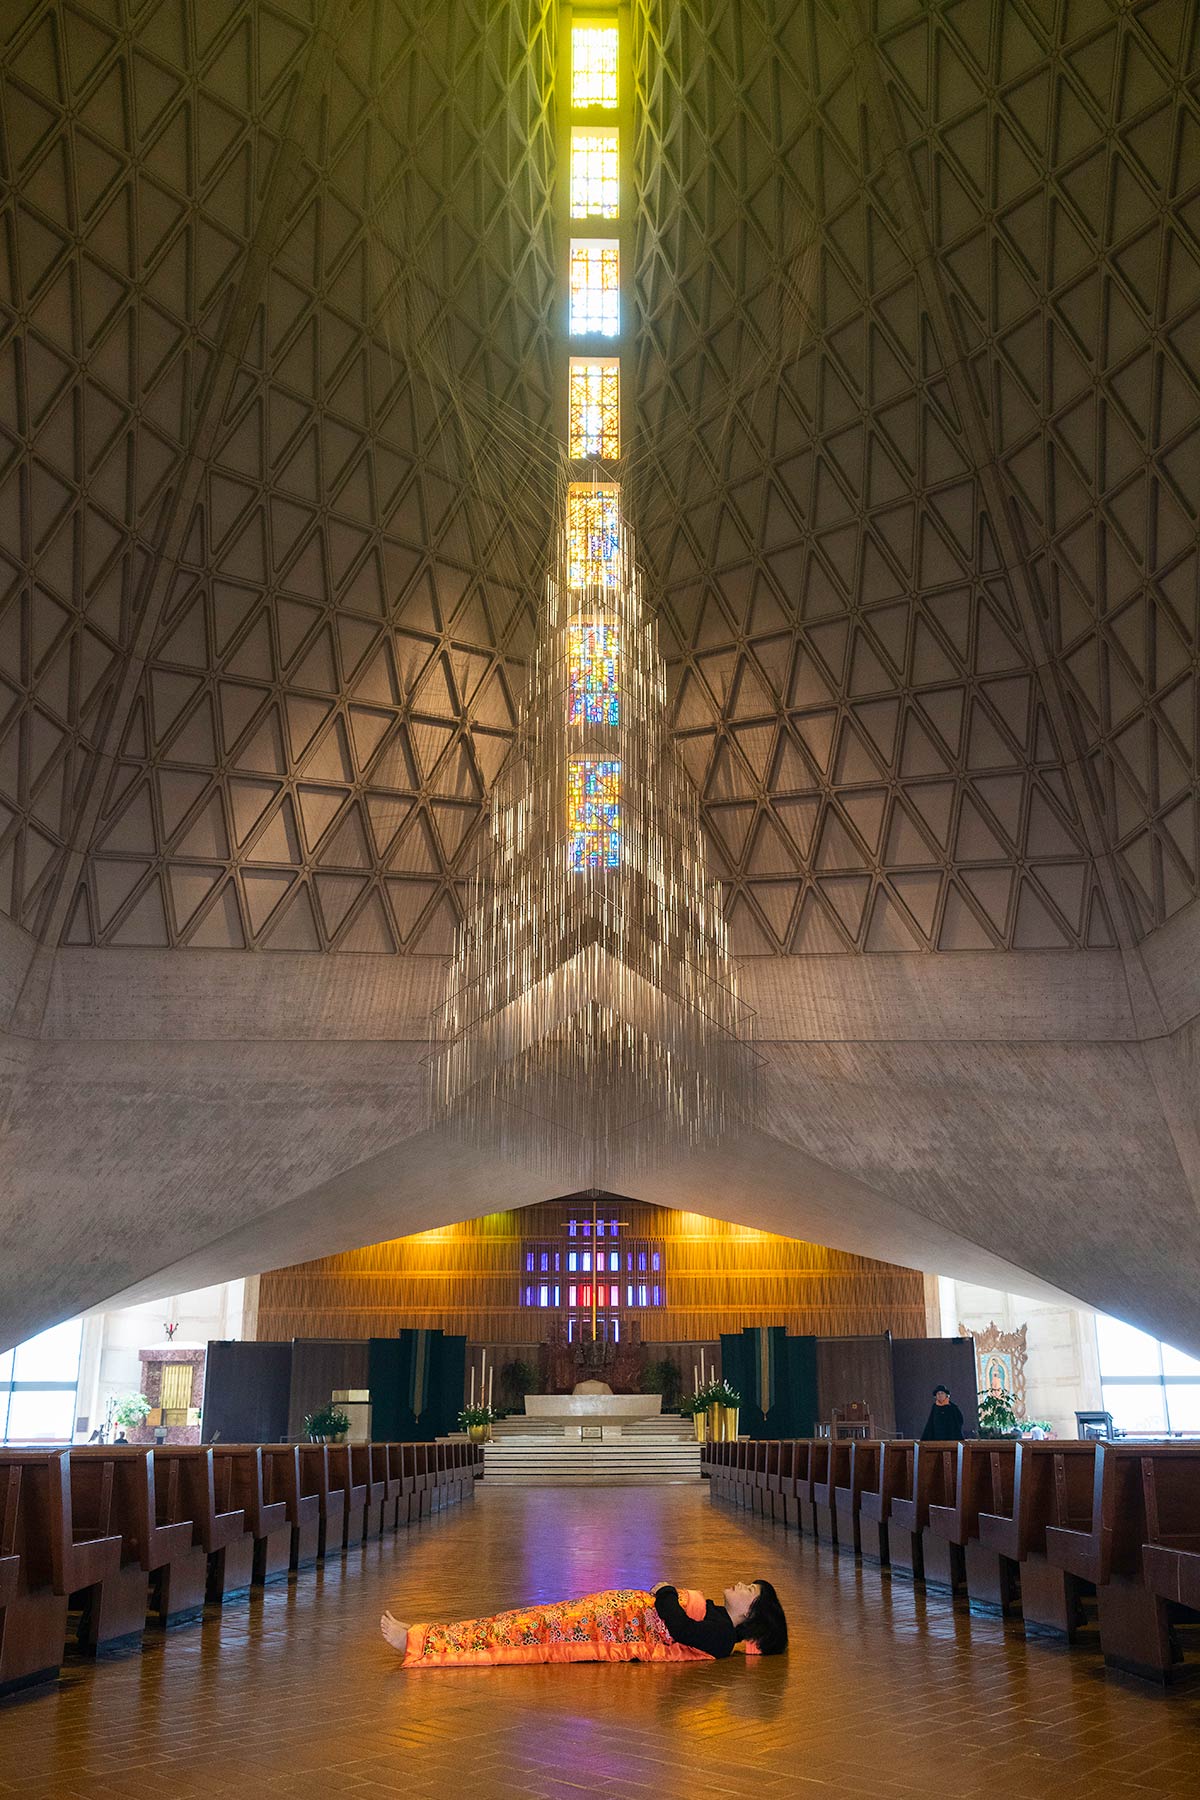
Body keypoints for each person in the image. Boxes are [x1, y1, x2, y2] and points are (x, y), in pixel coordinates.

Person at [380, 1577, 787, 1669]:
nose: (740, 1584)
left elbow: (678, 1628)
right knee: (516, 1621)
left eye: (749, 1589)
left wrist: (666, 1590)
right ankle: (426, 1634)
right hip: (605, 1615)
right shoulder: (717, 1619)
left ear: (751, 1614)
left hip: (603, 1627)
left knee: (518, 1633)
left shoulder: (719, 1636)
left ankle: (419, 1642)